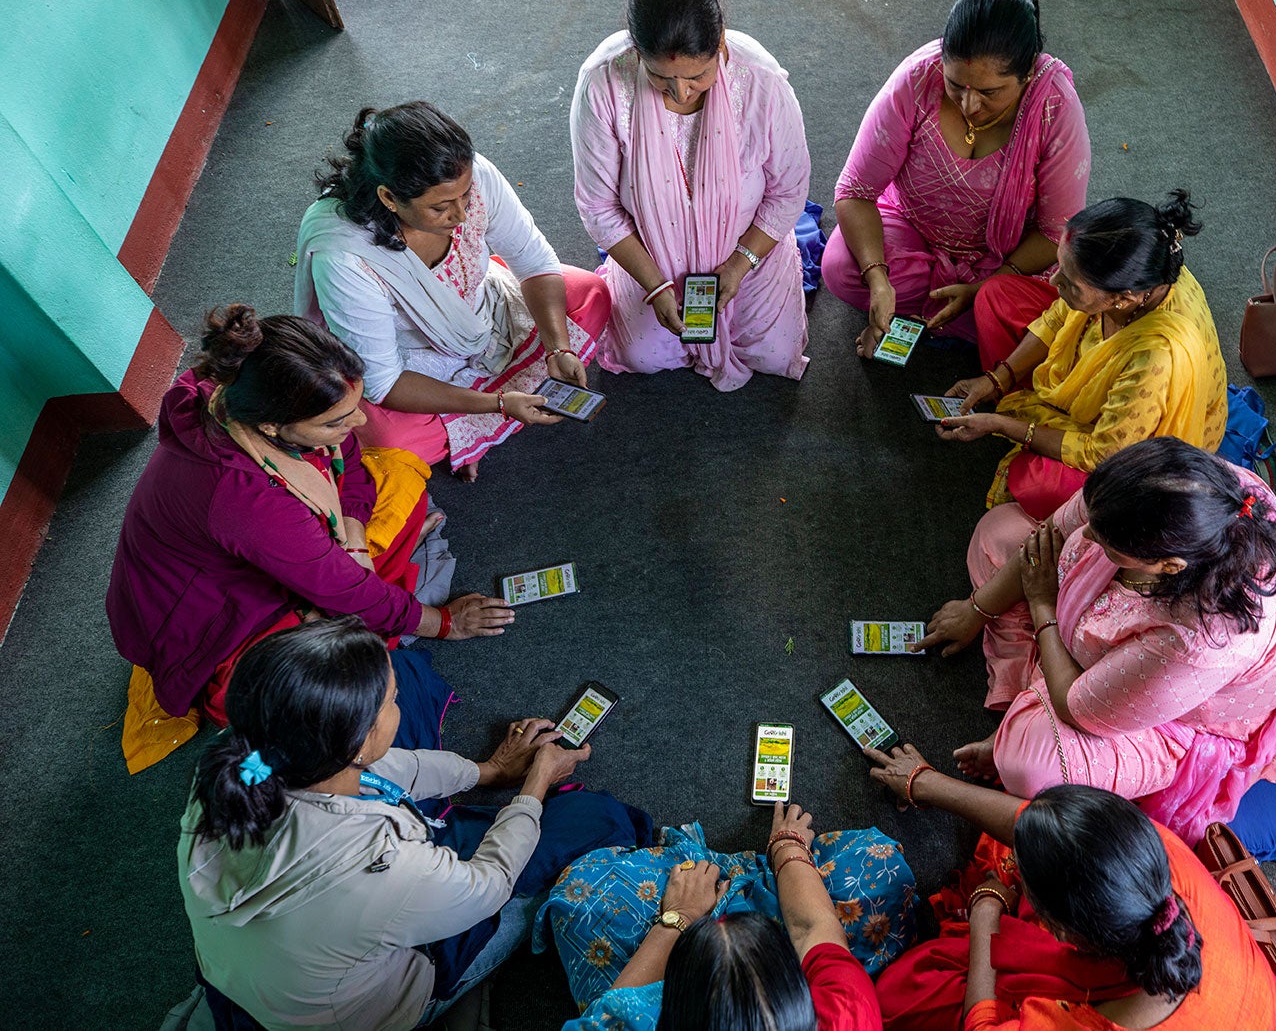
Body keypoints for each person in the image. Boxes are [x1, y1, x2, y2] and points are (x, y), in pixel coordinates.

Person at [178, 618, 649, 1030]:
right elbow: (489, 883)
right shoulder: (378, 868)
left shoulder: (239, 760)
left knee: (401, 671)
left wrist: (490, 770)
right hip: (377, 1002)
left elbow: (386, 766)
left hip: (267, 971)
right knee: (597, 819)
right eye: (390, 702)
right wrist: (536, 783)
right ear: (356, 743)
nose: (394, 705)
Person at [107, 307, 510, 755]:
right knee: (309, 684)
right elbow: (347, 592)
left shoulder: (240, 401)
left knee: (396, 474)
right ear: (271, 428)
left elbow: (353, 465)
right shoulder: (244, 497)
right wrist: (444, 624)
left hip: (260, 555)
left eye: (354, 408)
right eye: (336, 421)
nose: (357, 424)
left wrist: (354, 542)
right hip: (215, 621)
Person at [915, 438, 1276, 842]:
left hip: (1173, 714)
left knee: (1029, 763)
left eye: (1106, 541)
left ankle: (1036, 686)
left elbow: (1077, 708)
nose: (1087, 535)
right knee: (998, 532)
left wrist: (1042, 605)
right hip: (1104, 642)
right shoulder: (1174, 487)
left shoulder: (1203, 640)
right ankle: (1041, 679)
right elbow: (1058, 531)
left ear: (1169, 566)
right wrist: (976, 610)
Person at [296, 100, 612, 478]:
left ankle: (469, 430)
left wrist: (557, 346)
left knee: (591, 293)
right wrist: (497, 403)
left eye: (464, 196)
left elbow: (533, 261)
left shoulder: (473, 178)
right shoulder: (347, 257)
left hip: (484, 308)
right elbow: (385, 382)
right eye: (441, 207)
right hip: (409, 359)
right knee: (391, 440)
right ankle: (491, 415)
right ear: (388, 198)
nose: (462, 215)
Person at [861, 767, 1276, 1030]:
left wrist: (986, 912)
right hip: (1262, 1012)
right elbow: (1035, 824)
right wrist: (927, 784)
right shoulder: (1157, 853)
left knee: (908, 995)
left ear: (1062, 932)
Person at [571, 0, 811, 391]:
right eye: (662, 78)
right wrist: (654, 284)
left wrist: (740, 265)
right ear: (637, 52)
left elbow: (788, 190)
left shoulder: (761, 82)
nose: (680, 93)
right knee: (641, 357)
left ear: (720, 43)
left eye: (698, 76)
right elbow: (598, 206)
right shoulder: (604, 82)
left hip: (746, 244)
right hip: (652, 250)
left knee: (773, 353)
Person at [825, 0, 1090, 353]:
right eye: (955, 85)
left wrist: (986, 286)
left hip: (1009, 259)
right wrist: (878, 279)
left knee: (1064, 308)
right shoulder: (918, 77)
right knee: (841, 267)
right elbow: (855, 190)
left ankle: (951, 309)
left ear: (1028, 72)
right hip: (915, 228)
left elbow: (1054, 233)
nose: (969, 105)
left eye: (990, 93)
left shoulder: (1055, 107)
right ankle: (957, 314)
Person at [937, 192, 1228, 517]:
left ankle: (1025, 420)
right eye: (1060, 267)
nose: (1054, 280)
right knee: (996, 295)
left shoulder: (1157, 357)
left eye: (1070, 283)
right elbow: (1058, 317)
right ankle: (1027, 409)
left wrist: (1001, 425)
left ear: (1122, 300)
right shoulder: (1138, 269)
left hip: (1125, 440)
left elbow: (1104, 453)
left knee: (1039, 483)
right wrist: (996, 379)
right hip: (1097, 373)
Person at [538, 803, 915, 1030]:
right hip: (785, 903)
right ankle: (760, 888)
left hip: (673, 924)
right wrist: (787, 844)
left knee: (581, 894)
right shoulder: (848, 1015)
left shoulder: (629, 1018)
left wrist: (679, 917)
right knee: (883, 868)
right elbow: (813, 927)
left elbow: (616, 1005)